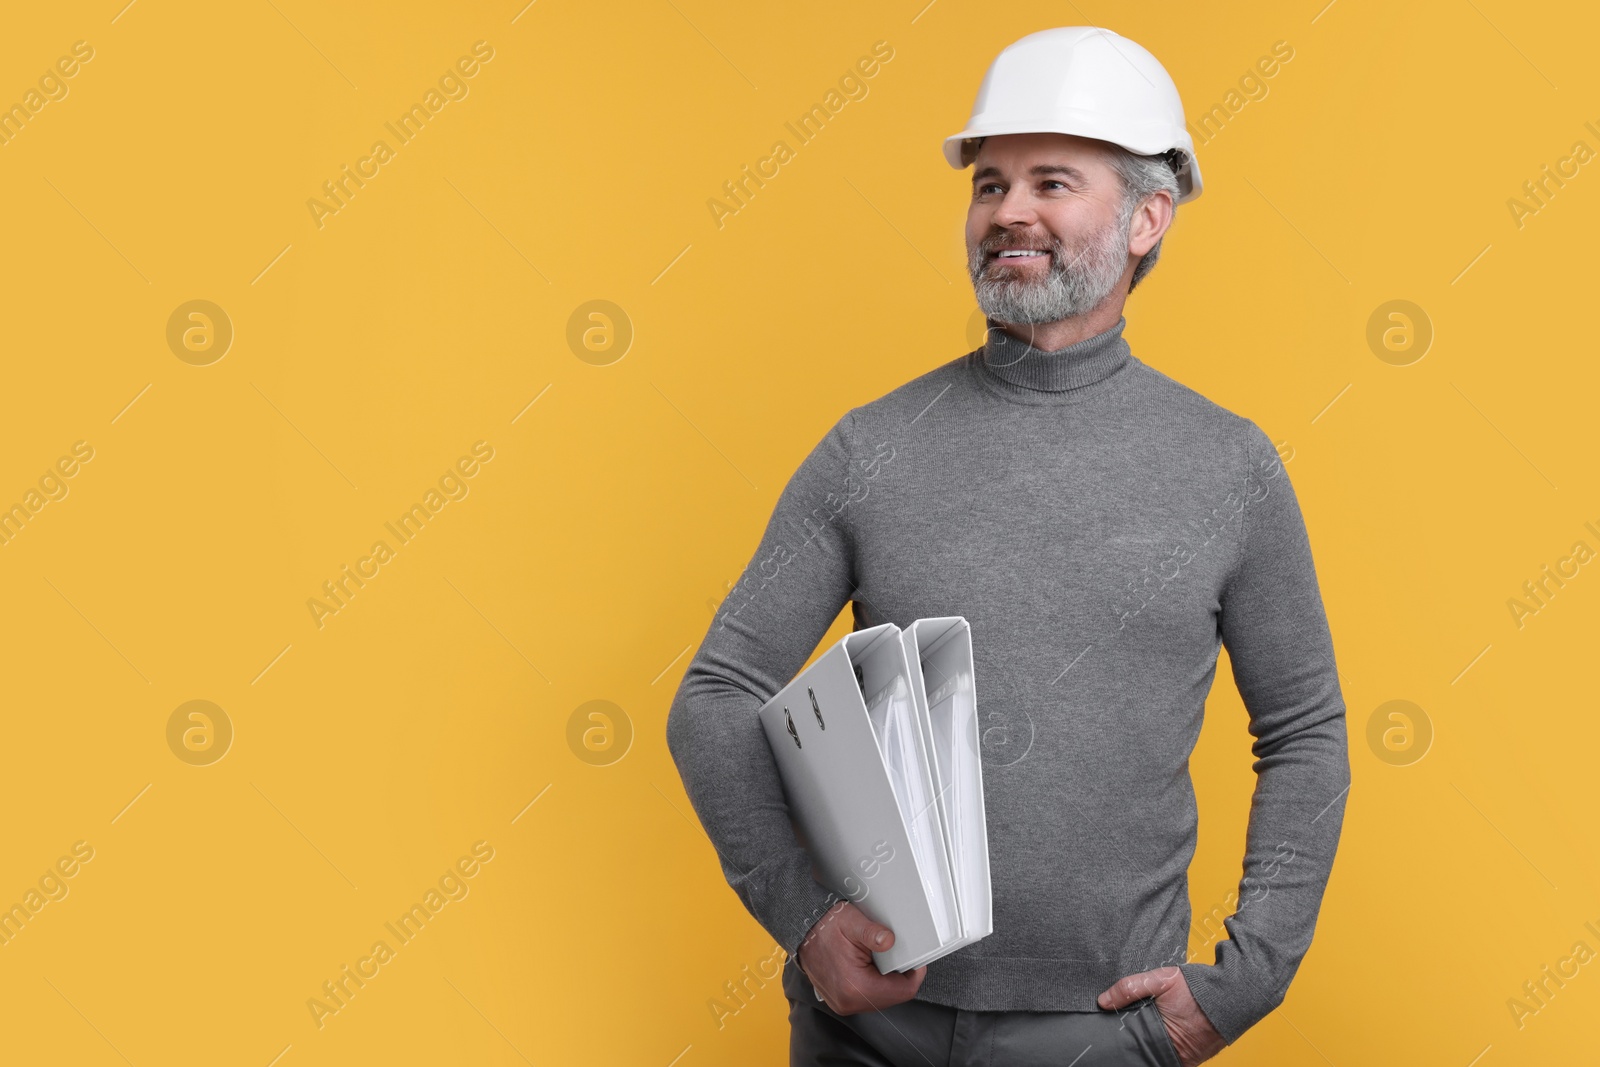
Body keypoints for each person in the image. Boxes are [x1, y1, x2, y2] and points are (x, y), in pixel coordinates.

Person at [666, 25, 1350, 1067]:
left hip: (1101, 1031)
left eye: (1052, 182)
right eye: (988, 185)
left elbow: (1302, 728)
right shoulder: (870, 447)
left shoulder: (1229, 467)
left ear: (1145, 217)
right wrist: (804, 916)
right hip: (866, 1026)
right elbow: (714, 695)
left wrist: (1244, 980)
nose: (1007, 212)